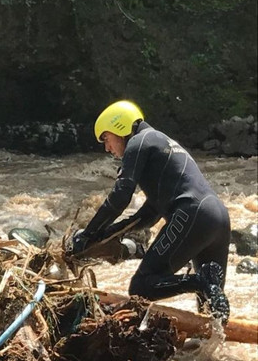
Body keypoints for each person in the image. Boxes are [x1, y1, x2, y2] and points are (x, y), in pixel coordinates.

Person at [69, 100, 231, 322]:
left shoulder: (138, 142)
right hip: (217, 217)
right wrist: (105, 235)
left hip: (192, 212)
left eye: (106, 139)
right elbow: (149, 214)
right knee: (211, 312)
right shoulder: (158, 143)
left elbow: (120, 195)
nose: (107, 148)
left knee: (142, 285)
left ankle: (198, 282)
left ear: (120, 127)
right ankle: (212, 353)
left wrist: (88, 233)